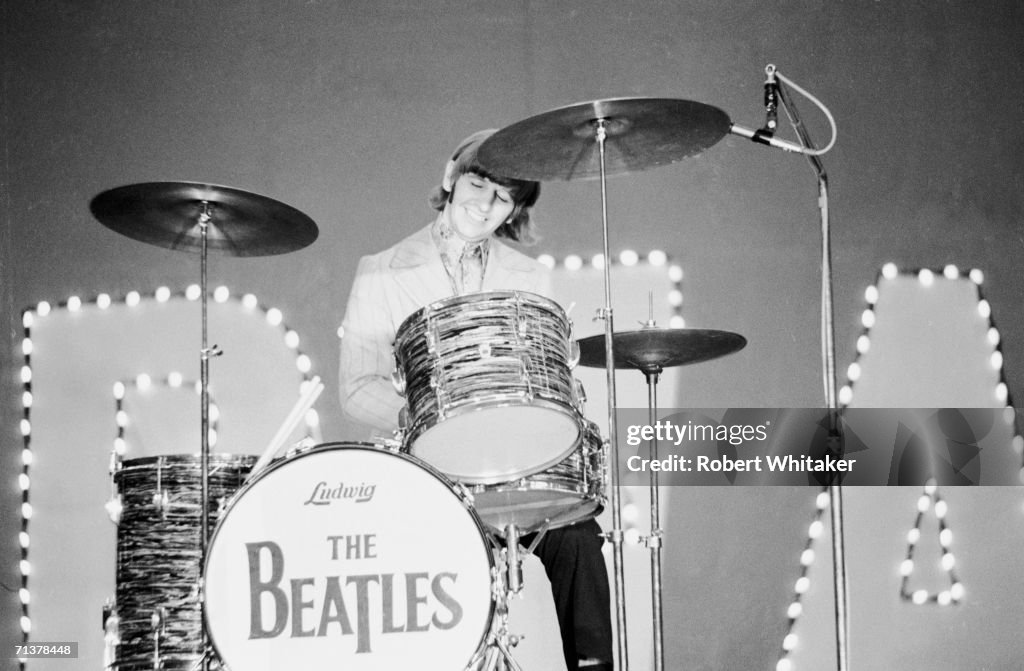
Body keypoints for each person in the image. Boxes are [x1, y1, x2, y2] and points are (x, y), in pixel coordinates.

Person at [338, 129, 614, 671]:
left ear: (514, 210)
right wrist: (429, 425)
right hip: (427, 479)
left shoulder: (531, 276)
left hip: (515, 476)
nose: (485, 204)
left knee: (578, 537)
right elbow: (355, 389)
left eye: (503, 196)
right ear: (451, 178)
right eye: (478, 183)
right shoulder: (381, 269)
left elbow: (546, 383)